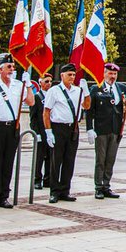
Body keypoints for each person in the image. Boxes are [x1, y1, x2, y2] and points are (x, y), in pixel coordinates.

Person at [0, 53, 35, 210]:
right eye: (8, 67)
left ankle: (4, 196)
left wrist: (28, 85)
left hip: (13, 127)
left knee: (8, 163)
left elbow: (31, 101)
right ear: (1, 68)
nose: (12, 69)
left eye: (13, 67)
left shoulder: (19, 85)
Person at [44, 63, 90, 204]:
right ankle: (54, 191)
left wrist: (86, 91)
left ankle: (65, 190)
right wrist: (48, 131)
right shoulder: (54, 91)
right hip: (58, 128)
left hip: (73, 128)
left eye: (74, 75)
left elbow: (87, 106)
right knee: (56, 161)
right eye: (69, 74)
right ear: (62, 75)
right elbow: (46, 112)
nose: (72, 77)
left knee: (69, 161)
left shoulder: (78, 91)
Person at [87, 63, 126, 199]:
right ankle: (98, 187)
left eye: (115, 74)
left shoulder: (121, 88)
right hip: (101, 129)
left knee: (110, 159)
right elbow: (89, 111)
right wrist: (90, 128)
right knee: (100, 159)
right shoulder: (96, 88)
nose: (112, 76)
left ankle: (106, 185)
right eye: (110, 73)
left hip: (116, 129)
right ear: (104, 73)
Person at [29, 73, 52, 190]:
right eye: (46, 81)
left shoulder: (52, 96)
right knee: (39, 157)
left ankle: (48, 179)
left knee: (50, 156)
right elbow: (33, 117)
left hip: (50, 130)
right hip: (41, 131)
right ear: (40, 83)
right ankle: (37, 179)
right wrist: (36, 132)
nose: (49, 84)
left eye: (50, 82)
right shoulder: (37, 97)